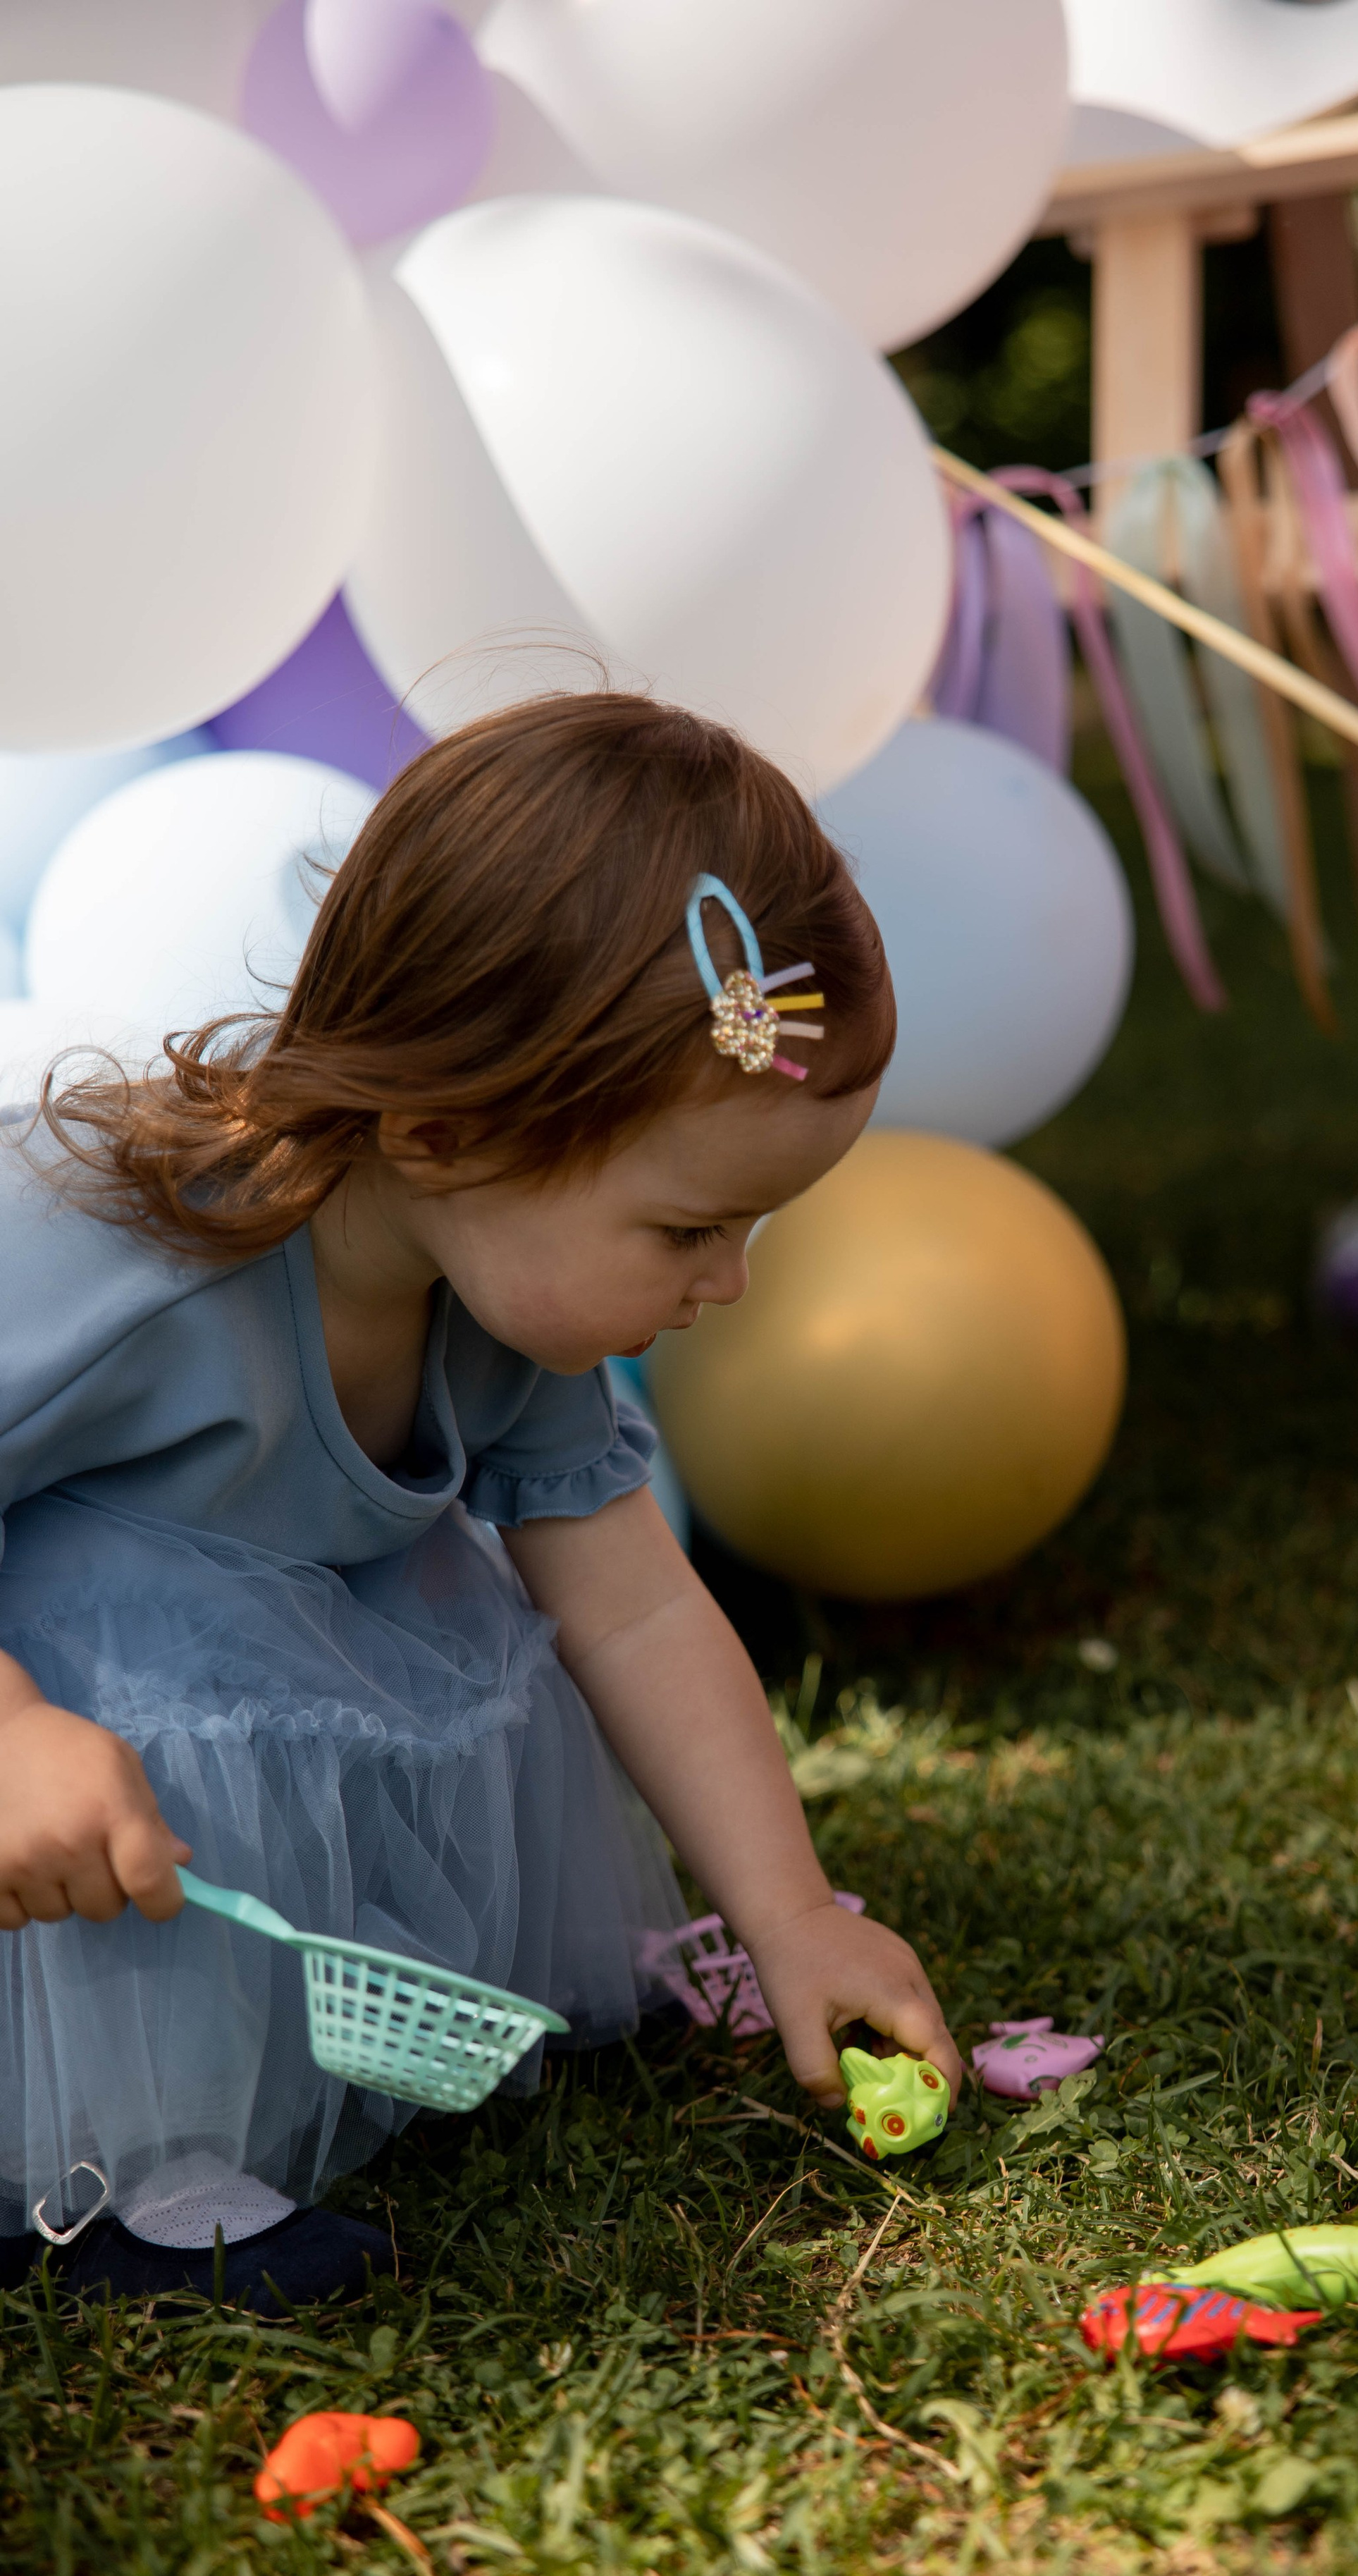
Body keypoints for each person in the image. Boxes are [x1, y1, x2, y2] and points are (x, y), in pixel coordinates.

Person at [0, 691, 960, 2307]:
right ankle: (129, 2163)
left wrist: (788, 1910)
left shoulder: (502, 1301)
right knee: (157, 1608)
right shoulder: (127, 1259)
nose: (726, 1281)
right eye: (683, 1230)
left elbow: (637, 1605)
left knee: (449, 1606)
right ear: (444, 1130)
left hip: (208, 1744)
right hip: (54, 1817)